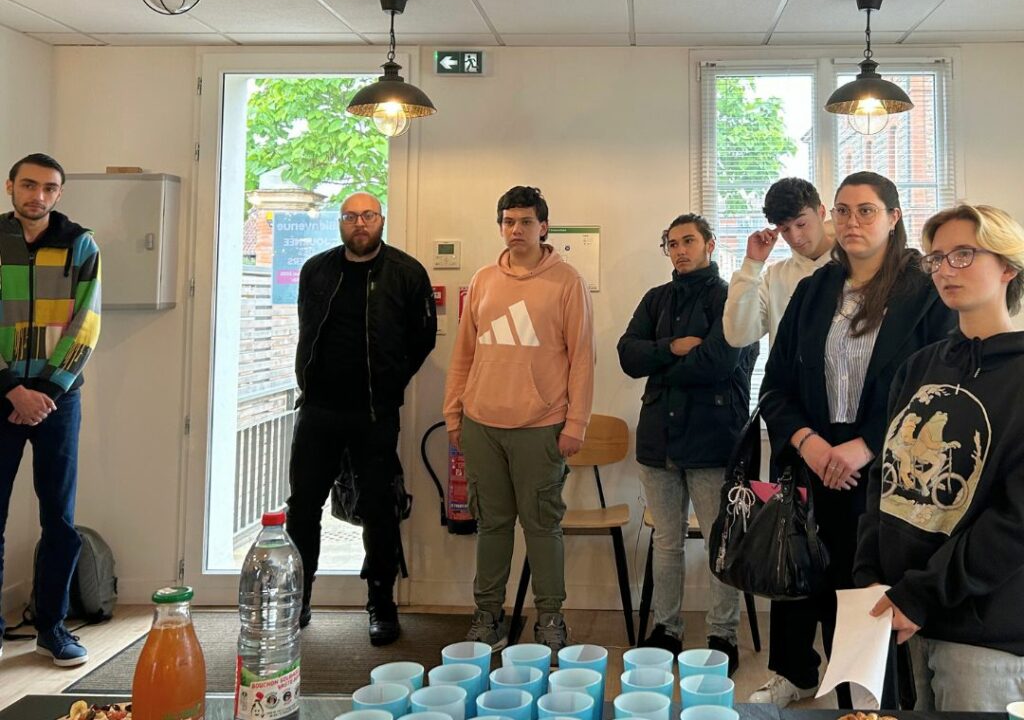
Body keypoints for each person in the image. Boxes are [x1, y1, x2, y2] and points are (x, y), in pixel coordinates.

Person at [759, 171, 954, 706]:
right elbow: (775, 386)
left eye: (866, 210)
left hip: (889, 474)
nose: (852, 222)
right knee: (811, 587)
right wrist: (809, 443)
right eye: (842, 210)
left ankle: (873, 706)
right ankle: (814, 684)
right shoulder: (813, 290)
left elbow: (939, 392)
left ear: (893, 218)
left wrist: (865, 445)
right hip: (814, 464)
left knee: (870, 599)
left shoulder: (926, 293)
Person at [855, 204, 1024, 712]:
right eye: (937, 258)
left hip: (980, 633)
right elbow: (884, 481)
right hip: (900, 612)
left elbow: (1014, 522)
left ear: (1008, 267)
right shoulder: (919, 366)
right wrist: (870, 574)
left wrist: (923, 595)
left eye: (964, 254)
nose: (946, 269)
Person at [444, 186, 594, 654]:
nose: (516, 230)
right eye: (509, 222)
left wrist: (576, 423)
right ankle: (487, 616)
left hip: (540, 426)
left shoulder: (567, 282)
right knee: (491, 526)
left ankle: (550, 619)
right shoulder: (484, 280)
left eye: (526, 221)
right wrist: (454, 413)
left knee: (542, 527)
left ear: (543, 227)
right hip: (481, 424)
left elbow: (582, 358)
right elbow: (463, 353)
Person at [285, 192, 435, 646]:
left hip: (374, 413)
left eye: (368, 215)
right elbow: (306, 327)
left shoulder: (407, 272)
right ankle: (299, 599)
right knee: (303, 508)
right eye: (350, 216)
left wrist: (390, 382)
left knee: (379, 508)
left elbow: (423, 338)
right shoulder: (316, 270)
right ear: (341, 223)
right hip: (318, 410)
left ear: (381, 220)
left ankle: (381, 604)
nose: (360, 223)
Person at [618, 213, 757, 675]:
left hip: (713, 439)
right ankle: (667, 629)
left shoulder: (731, 297)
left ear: (710, 244)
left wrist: (658, 362)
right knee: (667, 541)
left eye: (688, 241)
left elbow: (719, 362)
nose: (679, 250)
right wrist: (674, 348)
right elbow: (627, 354)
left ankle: (723, 634)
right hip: (658, 440)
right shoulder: (655, 299)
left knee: (721, 543)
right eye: (672, 243)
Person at [721, 178, 835, 705]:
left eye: (801, 224)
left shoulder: (857, 266)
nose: (796, 237)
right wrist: (751, 265)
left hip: (850, 431)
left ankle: (850, 670)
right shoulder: (778, 274)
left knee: (848, 554)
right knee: (789, 545)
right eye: (785, 229)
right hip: (792, 426)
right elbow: (739, 334)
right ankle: (794, 671)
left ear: (822, 211)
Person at [0, 153, 101, 666]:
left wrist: (44, 391)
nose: (37, 195)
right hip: (1, 395)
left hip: (57, 401)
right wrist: (11, 388)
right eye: (28, 185)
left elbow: (88, 321)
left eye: (48, 188)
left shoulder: (80, 244)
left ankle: (53, 628)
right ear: (10, 186)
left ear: (59, 193)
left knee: (59, 518)